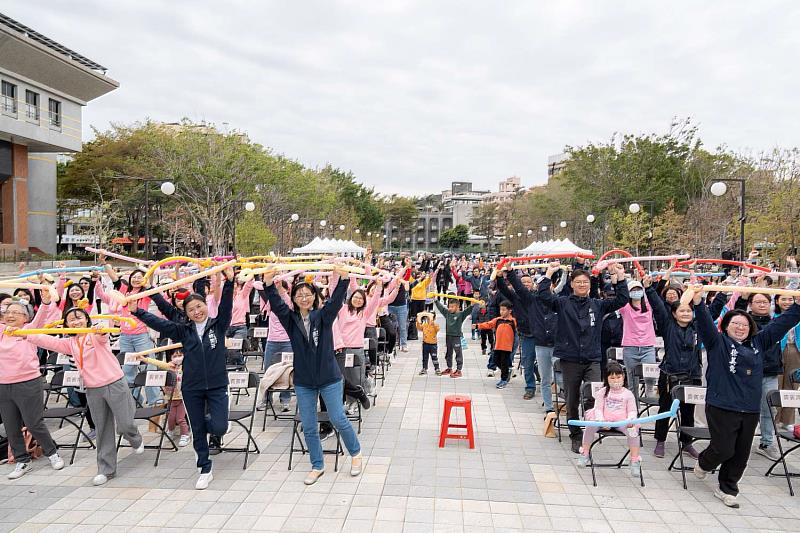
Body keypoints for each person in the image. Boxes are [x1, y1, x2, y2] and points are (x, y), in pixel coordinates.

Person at [691, 285, 800, 508]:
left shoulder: (759, 342)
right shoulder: (717, 342)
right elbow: (702, 322)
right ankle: (704, 462)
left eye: (744, 324)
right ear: (726, 326)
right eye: (735, 324)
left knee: (741, 453)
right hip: (721, 404)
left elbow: (783, 323)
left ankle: (727, 488)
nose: (740, 328)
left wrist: (798, 305)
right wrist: (698, 302)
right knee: (723, 448)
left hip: (749, 408)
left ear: (750, 328)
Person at [129, 266, 236, 490]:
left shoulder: (219, 325)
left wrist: (229, 282)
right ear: (186, 313)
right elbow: (161, 323)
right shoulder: (183, 331)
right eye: (191, 309)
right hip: (191, 387)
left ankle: (208, 426)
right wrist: (138, 312)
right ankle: (205, 468)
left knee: (219, 426)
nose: (196, 311)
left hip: (217, 385)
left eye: (199, 306)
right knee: (197, 428)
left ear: (206, 306)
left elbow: (227, 304)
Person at [261, 267, 363, 485]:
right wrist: (269, 284)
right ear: (294, 299)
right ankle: (317, 465)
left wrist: (343, 278)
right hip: (304, 381)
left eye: (308, 294)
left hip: (329, 377)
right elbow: (277, 305)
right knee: (308, 425)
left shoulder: (323, 316)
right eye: (299, 295)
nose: (304, 298)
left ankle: (355, 453)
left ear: (315, 297)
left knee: (337, 417)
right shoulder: (290, 319)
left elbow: (336, 301)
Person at [23, 307, 145, 485]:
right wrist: (25, 334)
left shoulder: (94, 335)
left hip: (114, 383)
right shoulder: (70, 343)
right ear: (66, 325)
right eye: (71, 319)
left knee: (126, 423)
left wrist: (100, 330)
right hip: (93, 389)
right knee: (103, 429)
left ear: (87, 320)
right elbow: (47, 341)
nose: (75, 321)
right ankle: (106, 470)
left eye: (79, 317)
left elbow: (103, 335)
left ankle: (134, 437)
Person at [537, 261, 629, 454]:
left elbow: (621, 300)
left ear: (589, 285)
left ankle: (591, 427)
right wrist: (548, 274)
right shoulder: (562, 303)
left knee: (594, 395)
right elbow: (544, 296)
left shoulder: (597, 305)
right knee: (572, 397)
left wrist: (620, 278)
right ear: (572, 284)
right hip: (570, 358)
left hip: (592, 358)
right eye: (578, 282)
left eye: (585, 282)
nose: (582, 285)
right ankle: (575, 434)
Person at [0, 291, 66, 479]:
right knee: (10, 426)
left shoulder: (30, 331)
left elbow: (41, 316)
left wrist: (45, 302)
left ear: (25, 317)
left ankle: (52, 453)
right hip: (4, 385)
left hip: (28, 383)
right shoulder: (2, 331)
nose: (11, 315)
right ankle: (22, 460)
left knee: (33, 422)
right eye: (7, 312)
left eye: (16, 312)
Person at [643, 276, 701, 459]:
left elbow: (711, 312)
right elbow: (659, 308)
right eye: (681, 311)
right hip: (669, 375)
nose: (685, 314)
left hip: (692, 375)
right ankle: (660, 440)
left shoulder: (698, 327)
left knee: (688, 412)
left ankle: (687, 443)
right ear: (674, 313)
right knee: (665, 409)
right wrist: (650, 289)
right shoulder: (667, 325)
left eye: (688, 311)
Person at [577, 361, 642, 477]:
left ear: (623, 377)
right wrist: (601, 421)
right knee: (590, 426)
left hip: (622, 422)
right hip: (604, 419)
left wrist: (631, 420)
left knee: (633, 432)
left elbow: (632, 410)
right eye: (612, 378)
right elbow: (598, 409)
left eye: (618, 377)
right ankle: (585, 453)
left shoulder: (628, 394)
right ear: (607, 379)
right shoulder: (602, 392)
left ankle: (634, 460)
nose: (616, 380)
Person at [137, 348, 190, 447]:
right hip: (170, 398)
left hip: (183, 399)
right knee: (170, 418)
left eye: (180, 355)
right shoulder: (169, 366)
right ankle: (171, 431)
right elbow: (157, 362)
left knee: (180, 418)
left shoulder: (185, 367)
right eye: (175, 356)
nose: (178, 358)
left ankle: (185, 435)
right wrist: (144, 359)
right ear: (170, 357)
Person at [619, 279, 657, 393]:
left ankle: (649, 391)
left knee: (651, 375)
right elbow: (619, 295)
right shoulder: (625, 307)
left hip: (648, 346)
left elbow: (656, 291)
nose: (636, 292)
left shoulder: (649, 305)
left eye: (638, 289)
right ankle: (634, 407)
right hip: (630, 347)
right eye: (633, 290)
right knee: (632, 380)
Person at [434, 295, 479, 378]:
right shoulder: (447, 313)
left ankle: (459, 370)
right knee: (448, 353)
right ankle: (449, 368)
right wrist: (435, 300)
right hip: (448, 336)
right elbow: (441, 308)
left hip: (456, 337)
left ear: (457, 307)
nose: (450, 308)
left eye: (452, 307)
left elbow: (468, 310)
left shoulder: (461, 315)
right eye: (449, 307)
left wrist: (472, 304)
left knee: (458, 353)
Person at [475, 301, 517, 389]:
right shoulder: (498, 320)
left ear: (510, 311)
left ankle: (504, 380)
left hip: (507, 347)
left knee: (504, 362)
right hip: (498, 345)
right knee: (496, 360)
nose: (501, 312)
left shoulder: (513, 321)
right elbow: (488, 324)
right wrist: (478, 326)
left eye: (504, 310)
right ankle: (508, 370)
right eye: (501, 310)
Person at [775, 293, 800, 430]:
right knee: (776, 384)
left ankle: (788, 420)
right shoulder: (773, 316)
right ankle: (774, 418)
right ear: (777, 301)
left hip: (795, 349)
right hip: (777, 350)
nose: (787, 302)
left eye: (790, 299)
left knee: (792, 385)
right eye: (783, 299)